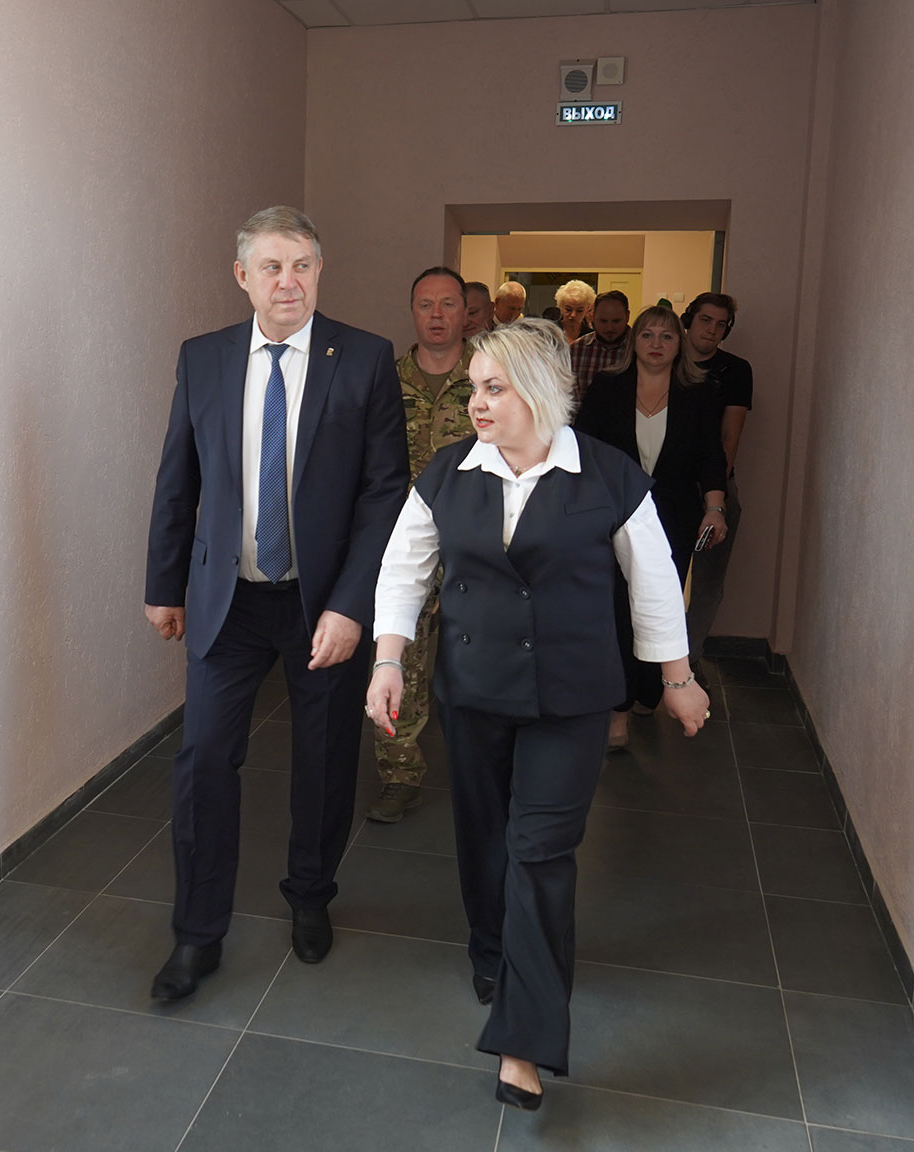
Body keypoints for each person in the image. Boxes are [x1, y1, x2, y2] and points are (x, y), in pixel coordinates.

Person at [366, 318, 709, 1110]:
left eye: (494, 388)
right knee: (484, 838)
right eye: (475, 388)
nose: (477, 403)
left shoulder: (608, 476)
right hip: (474, 691)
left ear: (542, 391)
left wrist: (678, 677)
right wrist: (387, 661)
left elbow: (654, 580)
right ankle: (493, 952)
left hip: (570, 700)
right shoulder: (450, 472)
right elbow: (403, 571)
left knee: (541, 851)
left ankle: (522, 1040)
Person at [144, 206, 409, 1001]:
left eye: (301, 265)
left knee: (323, 762)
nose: (287, 281)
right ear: (243, 276)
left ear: (319, 271)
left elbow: (384, 492)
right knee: (203, 763)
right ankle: (197, 934)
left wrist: (352, 605)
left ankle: (311, 895)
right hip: (226, 600)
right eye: (271, 266)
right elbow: (178, 477)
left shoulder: (363, 358)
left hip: (321, 605)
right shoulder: (204, 358)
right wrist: (164, 585)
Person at [572, 304, 727, 748]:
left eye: (666, 336)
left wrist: (715, 508)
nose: (656, 344)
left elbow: (710, 456)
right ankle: (617, 709)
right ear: (633, 342)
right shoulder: (607, 387)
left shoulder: (700, 393)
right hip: (612, 516)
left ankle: (647, 690)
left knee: (658, 604)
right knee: (619, 609)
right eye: (647, 335)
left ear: (679, 345)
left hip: (674, 518)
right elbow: (582, 448)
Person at [368, 267, 475, 824]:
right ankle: (398, 774)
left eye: (448, 304)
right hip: (402, 544)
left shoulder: (490, 379)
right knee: (400, 660)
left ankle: (484, 768)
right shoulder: (384, 381)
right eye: (425, 304)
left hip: (473, 542)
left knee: (475, 656)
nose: (436, 315)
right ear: (412, 310)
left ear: (466, 312)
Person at [680, 293, 751, 667]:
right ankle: (648, 664)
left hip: (716, 485)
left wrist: (714, 496)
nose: (712, 330)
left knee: (708, 583)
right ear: (689, 320)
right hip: (667, 486)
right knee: (660, 576)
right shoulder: (666, 360)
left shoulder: (735, 370)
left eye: (721, 324)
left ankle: (689, 661)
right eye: (705, 320)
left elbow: (729, 438)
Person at [567, 289, 630, 399]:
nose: (609, 328)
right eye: (603, 321)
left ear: (627, 317)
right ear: (593, 316)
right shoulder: (576, 350)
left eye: (616, 321)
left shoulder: (641, 349)